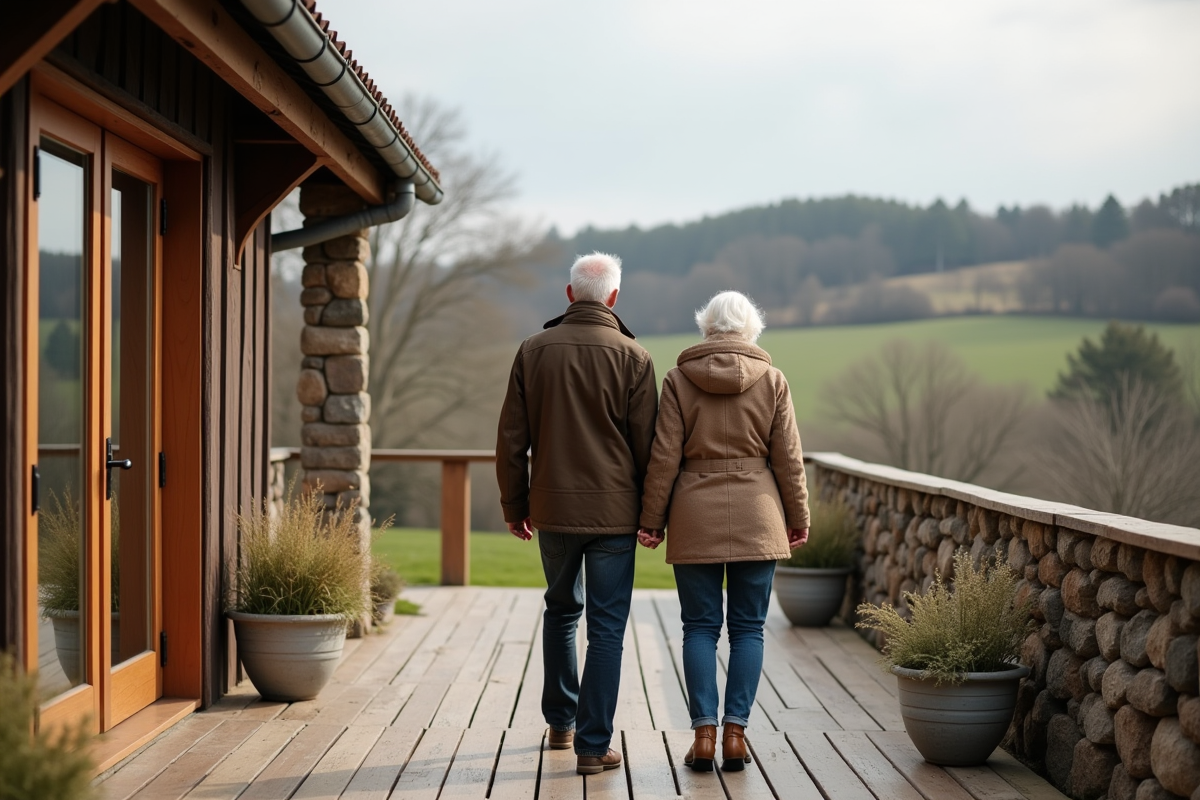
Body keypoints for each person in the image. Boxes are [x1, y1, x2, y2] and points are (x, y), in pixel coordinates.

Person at [496, 252, 658, 775]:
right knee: (606, 628)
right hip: (615, 516)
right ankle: (593, 747)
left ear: (570, 296)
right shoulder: (635, 358)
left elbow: (510, 440)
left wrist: (513, 504)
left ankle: (560, 724)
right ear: (613, 298)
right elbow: (648, 449)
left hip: (552, 510)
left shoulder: (533, 350)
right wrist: (652, 515)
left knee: (561, 612)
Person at [637, 290, 809, 773]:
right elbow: (789, 461)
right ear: (751, 328)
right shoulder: (773, 380)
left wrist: (651, 520)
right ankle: (736, 735)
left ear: (706, 326)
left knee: (699, 628)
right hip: (758, 514)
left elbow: (664, 458)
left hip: (694, 514)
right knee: (749, 628)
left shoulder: (677, 380)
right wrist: (798, 518)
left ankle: (704, 736)